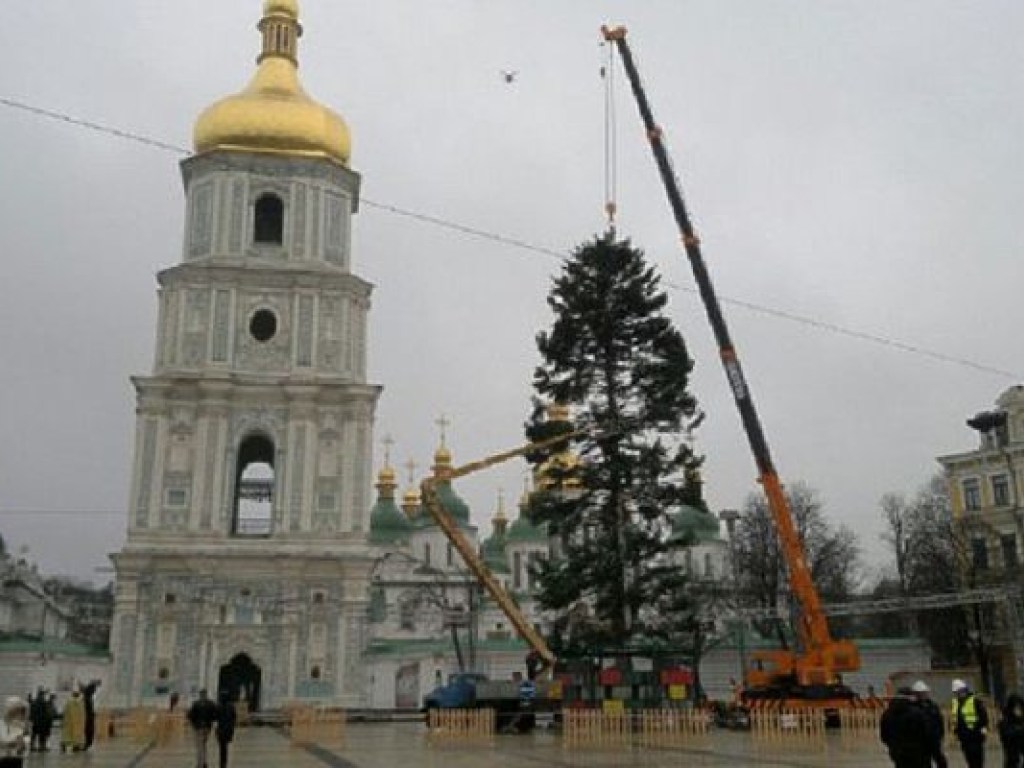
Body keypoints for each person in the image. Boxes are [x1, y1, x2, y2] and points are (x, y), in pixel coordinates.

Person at [880, 686, 932, 768]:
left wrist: (893, 746)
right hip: (916, 752)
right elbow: (926, 733)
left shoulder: (887, 714)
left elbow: (884, 735)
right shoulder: (917, 713)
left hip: (897, 752)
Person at [951, 678, 988, 768]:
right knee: (970, 762)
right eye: (956, 692)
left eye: (960, 691)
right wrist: (956, 731)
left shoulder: (975, 701)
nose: (958, 694)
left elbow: (984, 718)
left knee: (977, 762)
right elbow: (955, 719)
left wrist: (976, 729)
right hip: (964, 738)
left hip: (975, 736)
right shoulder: (955, 703)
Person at [910, 680, 947, 768]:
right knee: (925, 763)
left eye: (925, 692)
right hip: (921, 742)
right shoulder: (913, 708)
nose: (924, 694)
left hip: (934, 739)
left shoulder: (933, 706)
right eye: (921, 693)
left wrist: (940, 735)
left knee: (941, 760)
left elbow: (939, 721)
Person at [187, 689, 220, 768]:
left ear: (200, 695)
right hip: (207, 728)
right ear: (206, 694)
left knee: (199, 746)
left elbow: (190, 716)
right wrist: (210, 722)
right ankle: (204, 762)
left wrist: (194, 724)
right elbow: (215, 715)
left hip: (198, 727)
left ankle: (200, 764)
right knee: (204, 745)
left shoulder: (196, 704)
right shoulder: (211, 704)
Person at [0, 697, 28, 768]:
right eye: (17, 710)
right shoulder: (1, 724)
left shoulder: (22, 726)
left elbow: (23, 747)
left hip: (16, 760)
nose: (19, 714)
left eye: (20, 711)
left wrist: (21, 744)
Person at [1000, 693, 1024, 768]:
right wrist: (1018, 730)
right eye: (1017, 708)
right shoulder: (1006, 719)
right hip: (1012, 753)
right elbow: (1006, 734)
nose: (1019, 710)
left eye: (1020, 708)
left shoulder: (1021, 719)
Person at [214, 692, 236, 768]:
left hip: (221, 729)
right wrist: (232, 730)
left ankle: (222, 763)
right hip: (228, 729)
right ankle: (224, 762)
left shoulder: (218, 706)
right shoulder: (231, 706)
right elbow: (234, 719)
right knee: (225, 747)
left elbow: (215, 718)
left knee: (222, 747)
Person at [80, 679, 100, 751]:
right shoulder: (89, 698)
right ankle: (88, 743)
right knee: (88, 729)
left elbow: (87, 690)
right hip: (89, 715)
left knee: (88, 729)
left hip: (88, 716)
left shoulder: (88, 698)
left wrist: (93, 684)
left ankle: (87, 743)